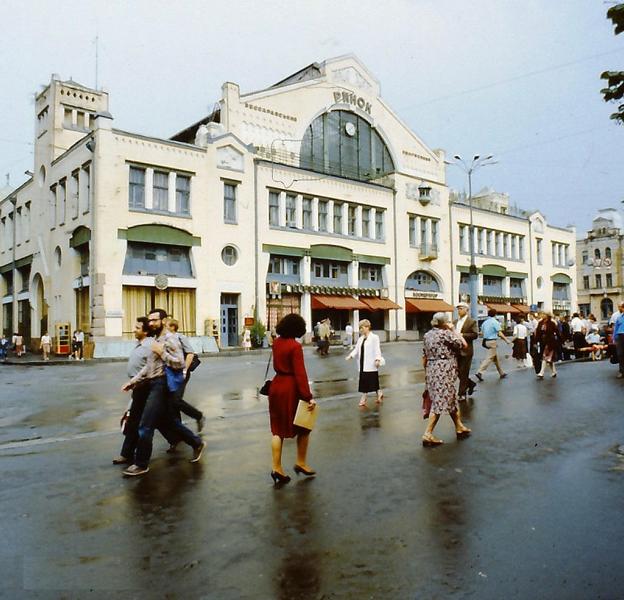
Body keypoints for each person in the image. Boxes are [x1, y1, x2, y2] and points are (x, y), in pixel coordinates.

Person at [120, 308, 205, 477]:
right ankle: (196, 443)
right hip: (151, 383)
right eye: (149, 320)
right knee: (169, 422)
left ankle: (141, 464)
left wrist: (162, 352)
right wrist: (133, 381)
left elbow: (179, 363)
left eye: (155, 320)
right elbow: (149, 366)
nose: (151, 323)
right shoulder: (155, 339)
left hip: (161, 385)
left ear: (163, 321)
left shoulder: (170, 339)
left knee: (145, 425)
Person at [113, 317, 179, 465]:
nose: (134, 330)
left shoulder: (151, 344)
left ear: (145, 331)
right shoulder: (140, 344)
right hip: (139, 386)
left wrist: (136, 381)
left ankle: (187, 440)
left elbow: (151, 367)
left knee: (148, 422)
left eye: (137, 328)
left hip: (148, 386)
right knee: (140, 421)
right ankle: (127, 454)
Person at [267, 313, 316, 484]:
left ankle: (276, 468)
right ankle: (301, 462)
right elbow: (300, 374)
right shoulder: (295, 346)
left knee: (277, 430)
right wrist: (308, 397)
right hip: (290, 388)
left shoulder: (276, 343)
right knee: (304, 425)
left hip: (276, 386)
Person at [421, 312, 470, 446]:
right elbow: (463, 344)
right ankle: (428, 433)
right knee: (440, 400)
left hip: (432, 368)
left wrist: (427, 371)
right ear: (444, 323)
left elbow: (424, 355)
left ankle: (459, 426)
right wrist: (453, 329)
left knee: (449, 398)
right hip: (445, 369)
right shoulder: (446, 334)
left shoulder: (427, 335)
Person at [165, 318, 205, 434]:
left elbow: (190, 354)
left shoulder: (180, 337)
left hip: (180, 373)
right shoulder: (165, 339)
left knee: (176, 400)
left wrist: (184, 371)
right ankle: (177, 430)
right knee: (171, 402)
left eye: (167, 325)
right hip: (169, 373)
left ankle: (198, 416)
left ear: (172, 327)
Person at [346, 319, 384, 407]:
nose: (360, 330)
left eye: (362, 328)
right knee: (367, 381)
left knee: (371, 381)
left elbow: (377, 349)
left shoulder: (374, 337)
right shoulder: (360, 339)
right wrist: (351, 355)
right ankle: (379, 393)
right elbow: (356, 349)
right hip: (362, 363)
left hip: (371, 363)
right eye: (360, 328)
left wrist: (378, 359)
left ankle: (364, 397)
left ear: (367, 327)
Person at [475, 309, 510, 381]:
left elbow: (481, 333)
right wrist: (506, 340)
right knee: (489, 358)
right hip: (492, 342)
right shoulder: (495, 322)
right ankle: (479, 372)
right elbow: (500, 333)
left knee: (495, 358)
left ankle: (501, 373)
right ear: (495, 314)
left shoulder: (485, 322)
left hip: (486, 342)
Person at [454, 302, 478, 401]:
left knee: (464, 372)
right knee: (456, 371)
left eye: (461, 308)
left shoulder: (471, 322)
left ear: (466, 310)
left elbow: (475, 334)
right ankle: (470, 383)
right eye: (458, 309)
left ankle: (462, 393)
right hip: (455, 350)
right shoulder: (455, 322)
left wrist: (462, 335)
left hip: (466, 350)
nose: (459, 310)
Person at [535, 312, 561, 379]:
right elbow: (538, 332)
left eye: (544, 314)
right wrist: (536, 341)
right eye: (542, 314)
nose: (542, 315)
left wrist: (561, 340)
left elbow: (557, 332)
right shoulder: (540, 323)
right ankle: (554, 371)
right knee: (549, 359)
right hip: (543, 342)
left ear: (547, 315)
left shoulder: (551, 323)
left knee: (545, 357)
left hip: (550, 342)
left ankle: (541, 372)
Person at [612, 302, 624, 378]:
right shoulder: (619, 317)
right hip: (620, 336)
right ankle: (622, 371)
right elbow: (615, 329)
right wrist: (614, 338)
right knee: (620, 354)